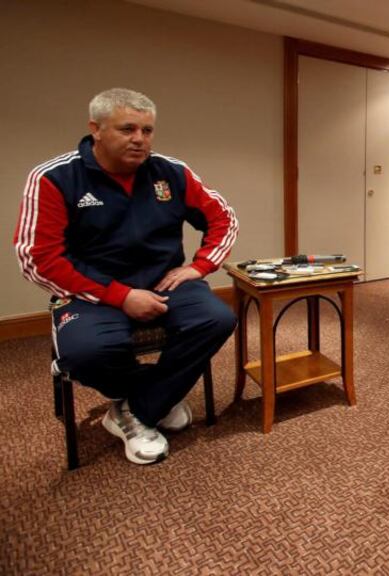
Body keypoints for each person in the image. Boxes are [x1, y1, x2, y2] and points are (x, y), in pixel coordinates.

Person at [14, 88, 238, 465]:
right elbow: (37, 258)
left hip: (163, 282)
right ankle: (155, 397)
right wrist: (120, 296)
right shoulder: (54, 177)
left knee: (217, 319)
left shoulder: (171, 172)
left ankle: (136, 410)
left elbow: (223, 218)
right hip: (92, 292)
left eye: (147, 130)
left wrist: (198, 267)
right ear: (96, 129)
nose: (139, 139)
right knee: (86, 354)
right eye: (127, 129)